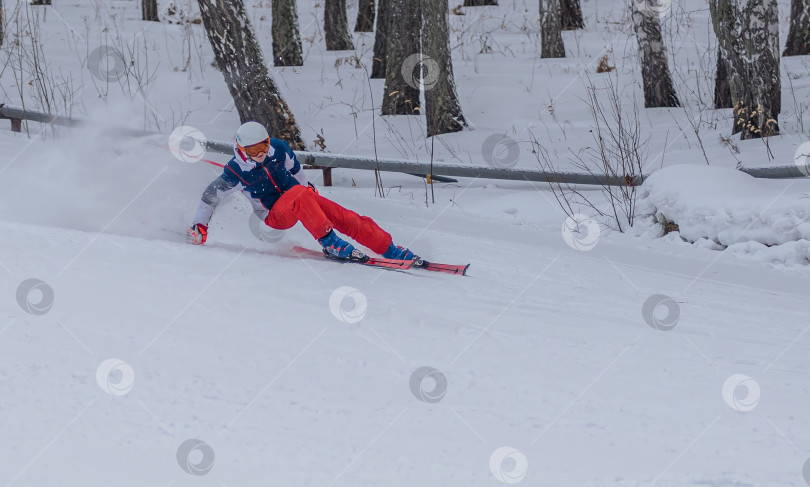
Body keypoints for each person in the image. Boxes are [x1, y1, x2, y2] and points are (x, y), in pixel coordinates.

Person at [187, 121, 420, 262]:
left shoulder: (278, 148)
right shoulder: (236, 171)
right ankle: (330, 243)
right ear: (241, 148)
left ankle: (389, 249)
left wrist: (308, 188)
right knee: (300, 194)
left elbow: (295, 169)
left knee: (344, 216)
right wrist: (200, 226)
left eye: (264, 145)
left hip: (300, 199)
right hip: (273, 217)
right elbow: (209, 197)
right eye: (254, 149)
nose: (261, 152)